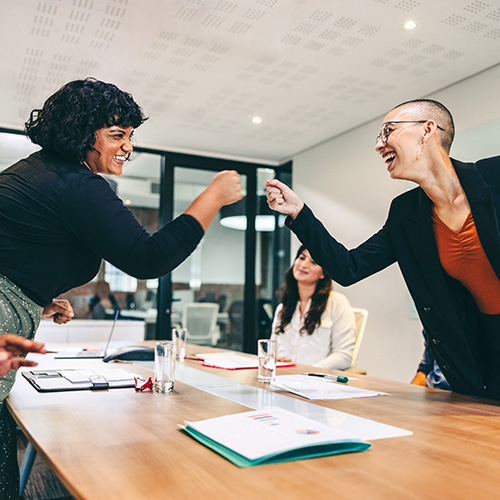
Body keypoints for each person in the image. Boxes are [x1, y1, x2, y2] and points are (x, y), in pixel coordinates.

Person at [0, 77, 243, 499]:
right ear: (81, 133)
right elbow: (146, 259)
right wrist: (212, 198)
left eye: (131, 136)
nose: (128, 146)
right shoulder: (77, 184)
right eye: (117, 135)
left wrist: (33, 300)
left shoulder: (38, 173)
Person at [267, 98, 500, 401]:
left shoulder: (495, 176)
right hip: (478, 350)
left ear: (428, 130)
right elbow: (348, 268)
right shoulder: (406, 214)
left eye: (388, 131)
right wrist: (299, 212)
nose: (379, 145)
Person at [271, 245, 356, 369]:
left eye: (313, 262)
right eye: (301, 258)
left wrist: (307, 370)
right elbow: (271, 350)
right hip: (282, 378)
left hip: (316, 381)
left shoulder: (337, 303)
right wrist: (276, 359)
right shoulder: (282, 308)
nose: (304, 265)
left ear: (323, 273)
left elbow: (344, 356)